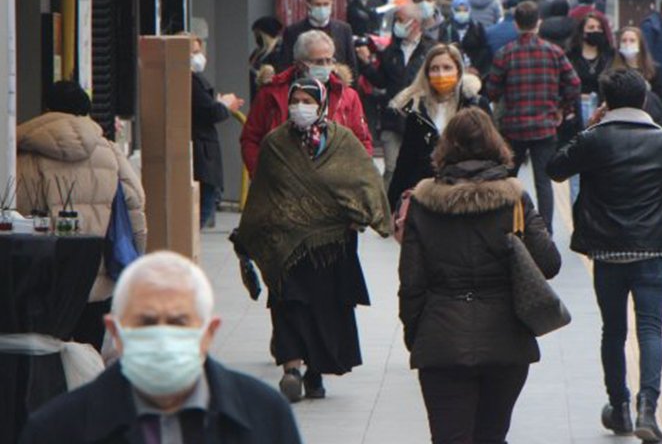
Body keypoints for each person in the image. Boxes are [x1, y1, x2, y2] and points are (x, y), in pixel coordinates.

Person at [546, 68, 662, 441]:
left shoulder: (595, 139)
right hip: (652, 250)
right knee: (650, 329)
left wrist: (588, 127)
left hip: (607, 252)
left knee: (613, 331)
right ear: (645, 99)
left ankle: (619, 408)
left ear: (605, 103)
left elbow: (554, 169)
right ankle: (648, 407)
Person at [399, 107, 561, 444]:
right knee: (492, 434)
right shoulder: (515, 199)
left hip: (441, 336)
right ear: (495, 145)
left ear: (446, 148)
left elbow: (411, 283)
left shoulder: (423, 202)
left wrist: (417, 334)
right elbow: (549, 263)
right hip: (506, 338)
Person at [20, 251, 303, 443]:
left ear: (208, 333)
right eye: (146, 322)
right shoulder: (58, 429)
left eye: (178, 322)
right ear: (116, 333)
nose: (163, 336)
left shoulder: (265, 416)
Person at [236, 78, 391, 402]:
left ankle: (315, 373)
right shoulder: (275, 144)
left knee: (325, 309)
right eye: (296, 100)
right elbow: (263, 192)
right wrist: (251, 232)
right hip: (287, 244)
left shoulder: (342, 142)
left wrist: (367, 216)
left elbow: (364, 181)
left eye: (308, 100)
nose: (300, 107)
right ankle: (291, 369)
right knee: (288, 305)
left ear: (321, 106)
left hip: (332, 248)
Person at [15, 81, 147, 350]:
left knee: (47, 353)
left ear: (47, 107)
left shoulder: (23, 153)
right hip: (95, 274)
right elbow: (135, 206)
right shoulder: (109, 151)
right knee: (90, 355)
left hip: (44, 276)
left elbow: (18, 209)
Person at [486, 0, 581, 233]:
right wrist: (562, 108)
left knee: (508, 178)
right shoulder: (554, 52)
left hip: (513, 127)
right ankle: (545, 230)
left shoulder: (505, 53)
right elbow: (574, 84)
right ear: (538, 23)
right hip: (544, 126)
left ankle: (504, 224)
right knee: (543, 181)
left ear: (516, 24)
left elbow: (492, 90)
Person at [241, 30, 373, 176]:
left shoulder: (347, 96)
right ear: (300, 63)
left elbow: (362, 141)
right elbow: (250, 138)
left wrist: (354, 176)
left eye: (329, 60)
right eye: (318, 61)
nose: (325, 66)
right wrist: (262, 174)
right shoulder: (272, 93)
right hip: (282, 183)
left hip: (334, 185)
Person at [387, 44, 488, 207]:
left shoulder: (475, 105)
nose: (441, 74)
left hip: (465, 196)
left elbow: (489, 152)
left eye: (447, 68)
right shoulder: (417, 109)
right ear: (427, 73)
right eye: (435, 69)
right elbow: (406, 160)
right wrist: (393, 203)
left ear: (459, 71)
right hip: (424, 195)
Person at [358, 3, 437, 190]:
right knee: (392, 169)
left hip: (420, 120)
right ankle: (387, 211)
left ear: (415, 23)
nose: (397, 25)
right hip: (393, 120)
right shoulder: (391, 51)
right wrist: (366, 64)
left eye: (400, 20)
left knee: (419, 170)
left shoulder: (431, 50)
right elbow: (381, 81)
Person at [188, 36, 244, 228]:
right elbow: (210, 112)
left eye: (198, 51)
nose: (197, 56)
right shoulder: (190, 82)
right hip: (201, 151)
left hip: (203, 150)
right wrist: (224, 105)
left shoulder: (193, 80)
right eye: (191, 52)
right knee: (202, 211)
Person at [278, 0, 358, 77]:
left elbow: (352, 65)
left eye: (326, 4)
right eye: (318, 5)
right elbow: (285, 66)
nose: (322, 8)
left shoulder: (344, 29)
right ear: (308, 4)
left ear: (332, 3)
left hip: (337, 85)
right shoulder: (293, 31)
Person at [611, 27, 662, 131]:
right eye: (624, 40)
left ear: (640, 44)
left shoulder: (653, 70)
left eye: (632, 40)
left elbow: (660, 99)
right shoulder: (613, 71)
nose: (627, 44)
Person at [438, 0, 492, 76]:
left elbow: (484, 50)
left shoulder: (477, 26)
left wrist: (475, 67)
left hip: (473, 72)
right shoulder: (446, 27)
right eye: (458, 10)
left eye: (465, 10)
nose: (462, 13)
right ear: (453, 10)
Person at [248, 16, 284, 99]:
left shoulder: (278, 52)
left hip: (268, 94)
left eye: (257, 34)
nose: (255, 37)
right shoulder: (257, 52)